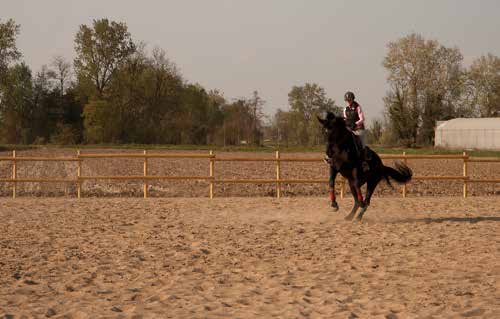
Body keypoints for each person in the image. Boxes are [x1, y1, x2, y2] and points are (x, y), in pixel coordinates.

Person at [324, 91, 370, 172]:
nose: (348, 101)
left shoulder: (358, 107)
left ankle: (364, 162)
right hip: (350, 129)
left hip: (359, 129)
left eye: (350, 100)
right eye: (347, 100)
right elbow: (345, 119)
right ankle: (331, 157)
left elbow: (362, 119)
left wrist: (355, 124)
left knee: (361, 145)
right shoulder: (345, 109)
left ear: (353, 99)